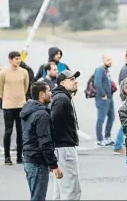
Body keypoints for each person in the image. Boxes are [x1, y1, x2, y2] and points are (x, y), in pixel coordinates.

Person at [20, 81, 63, 201]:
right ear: (41, 94)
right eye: (49, 91)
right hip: (37, 161)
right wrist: (53, 165)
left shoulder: (28, 110)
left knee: (36, 196)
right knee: (38, 198)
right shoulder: (41, 115)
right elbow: (45, 142)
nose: (51, 93)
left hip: (29, 159)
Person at [51, 69, 82, 200]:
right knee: (71, 190)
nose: (75, 81)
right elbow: (53, 122)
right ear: (62, 83)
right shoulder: (62, 99)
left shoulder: (62, 97)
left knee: (60, 190)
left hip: (61, 148)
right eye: (72, 79)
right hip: (64, 148)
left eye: (75, 79)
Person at [0, 51, 29, 165]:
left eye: (19, 58)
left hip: (21, 104)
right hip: (8, 105)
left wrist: (21, 97)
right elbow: (0, 87)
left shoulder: (24, 72)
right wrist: (4, 99)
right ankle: (7, 156)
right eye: (16, 59)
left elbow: (26, 86)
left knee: (21, 131)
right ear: (10, 60)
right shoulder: (3, 72)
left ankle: (20, 156)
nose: (18, 60)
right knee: (8, 131)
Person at [94, 55, 115, 146]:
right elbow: (97, 83)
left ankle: (107, 136)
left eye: (110, 59)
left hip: (110, 98)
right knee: (101, 119)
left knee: (111, 117)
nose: (110, 61)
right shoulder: (100, 70)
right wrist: (103, 94)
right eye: (108, 60)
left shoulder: (106, 70)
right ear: (103, 60)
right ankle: (100, 139)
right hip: (103, 99)